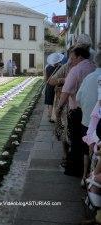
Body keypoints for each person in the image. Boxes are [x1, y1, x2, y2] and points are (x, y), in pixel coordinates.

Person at [56, 46, 96, 177]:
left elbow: (66, 91)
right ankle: (89, 170)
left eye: (72, 58)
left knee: (76, 140)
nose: (70, 61)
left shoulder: (76, 70)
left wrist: (59, 107)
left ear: (79, 57)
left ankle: (75, 169)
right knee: (89, 140)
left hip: (78, 111)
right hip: (94, 110)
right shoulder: (93, 67)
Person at [76, 49, 101, 186]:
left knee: (87, 150)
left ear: (95, 62)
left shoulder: (90, 77)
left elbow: (78, 98)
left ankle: (85, 176)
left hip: (88, 120)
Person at [45, 52, 64, 122]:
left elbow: (46, 79)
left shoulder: (48, 68)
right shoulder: (61, 67)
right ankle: (56, 117)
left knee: (50, 102)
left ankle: (50, 117)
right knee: (57, 101)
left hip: (49, 86)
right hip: (58, 86)